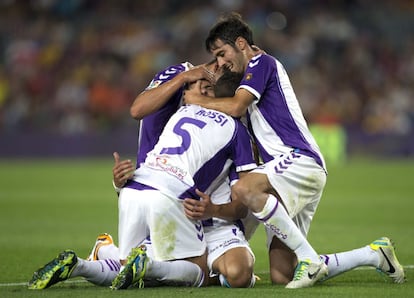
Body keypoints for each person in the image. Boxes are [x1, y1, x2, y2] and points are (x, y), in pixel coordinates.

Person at [183, 12, 405, 288]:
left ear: (241, 43)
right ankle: (373, 255)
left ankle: (309, 258)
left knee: (244, 188)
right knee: (282, 275)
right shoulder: (250, 75)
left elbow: (236, 106)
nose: (220, 62)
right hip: (290, 172)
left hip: (297, 160)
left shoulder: (262, 62)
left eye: (221, 53)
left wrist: (196, 100)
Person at [27, 72, 258, 290]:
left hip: (143, 193)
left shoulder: (180, 113)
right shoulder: (238, 132)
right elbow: (244, 200)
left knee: (129, 268)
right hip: (178, 203)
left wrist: (120, 183)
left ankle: (82, 265)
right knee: (195, 271)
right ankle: (142, 263)